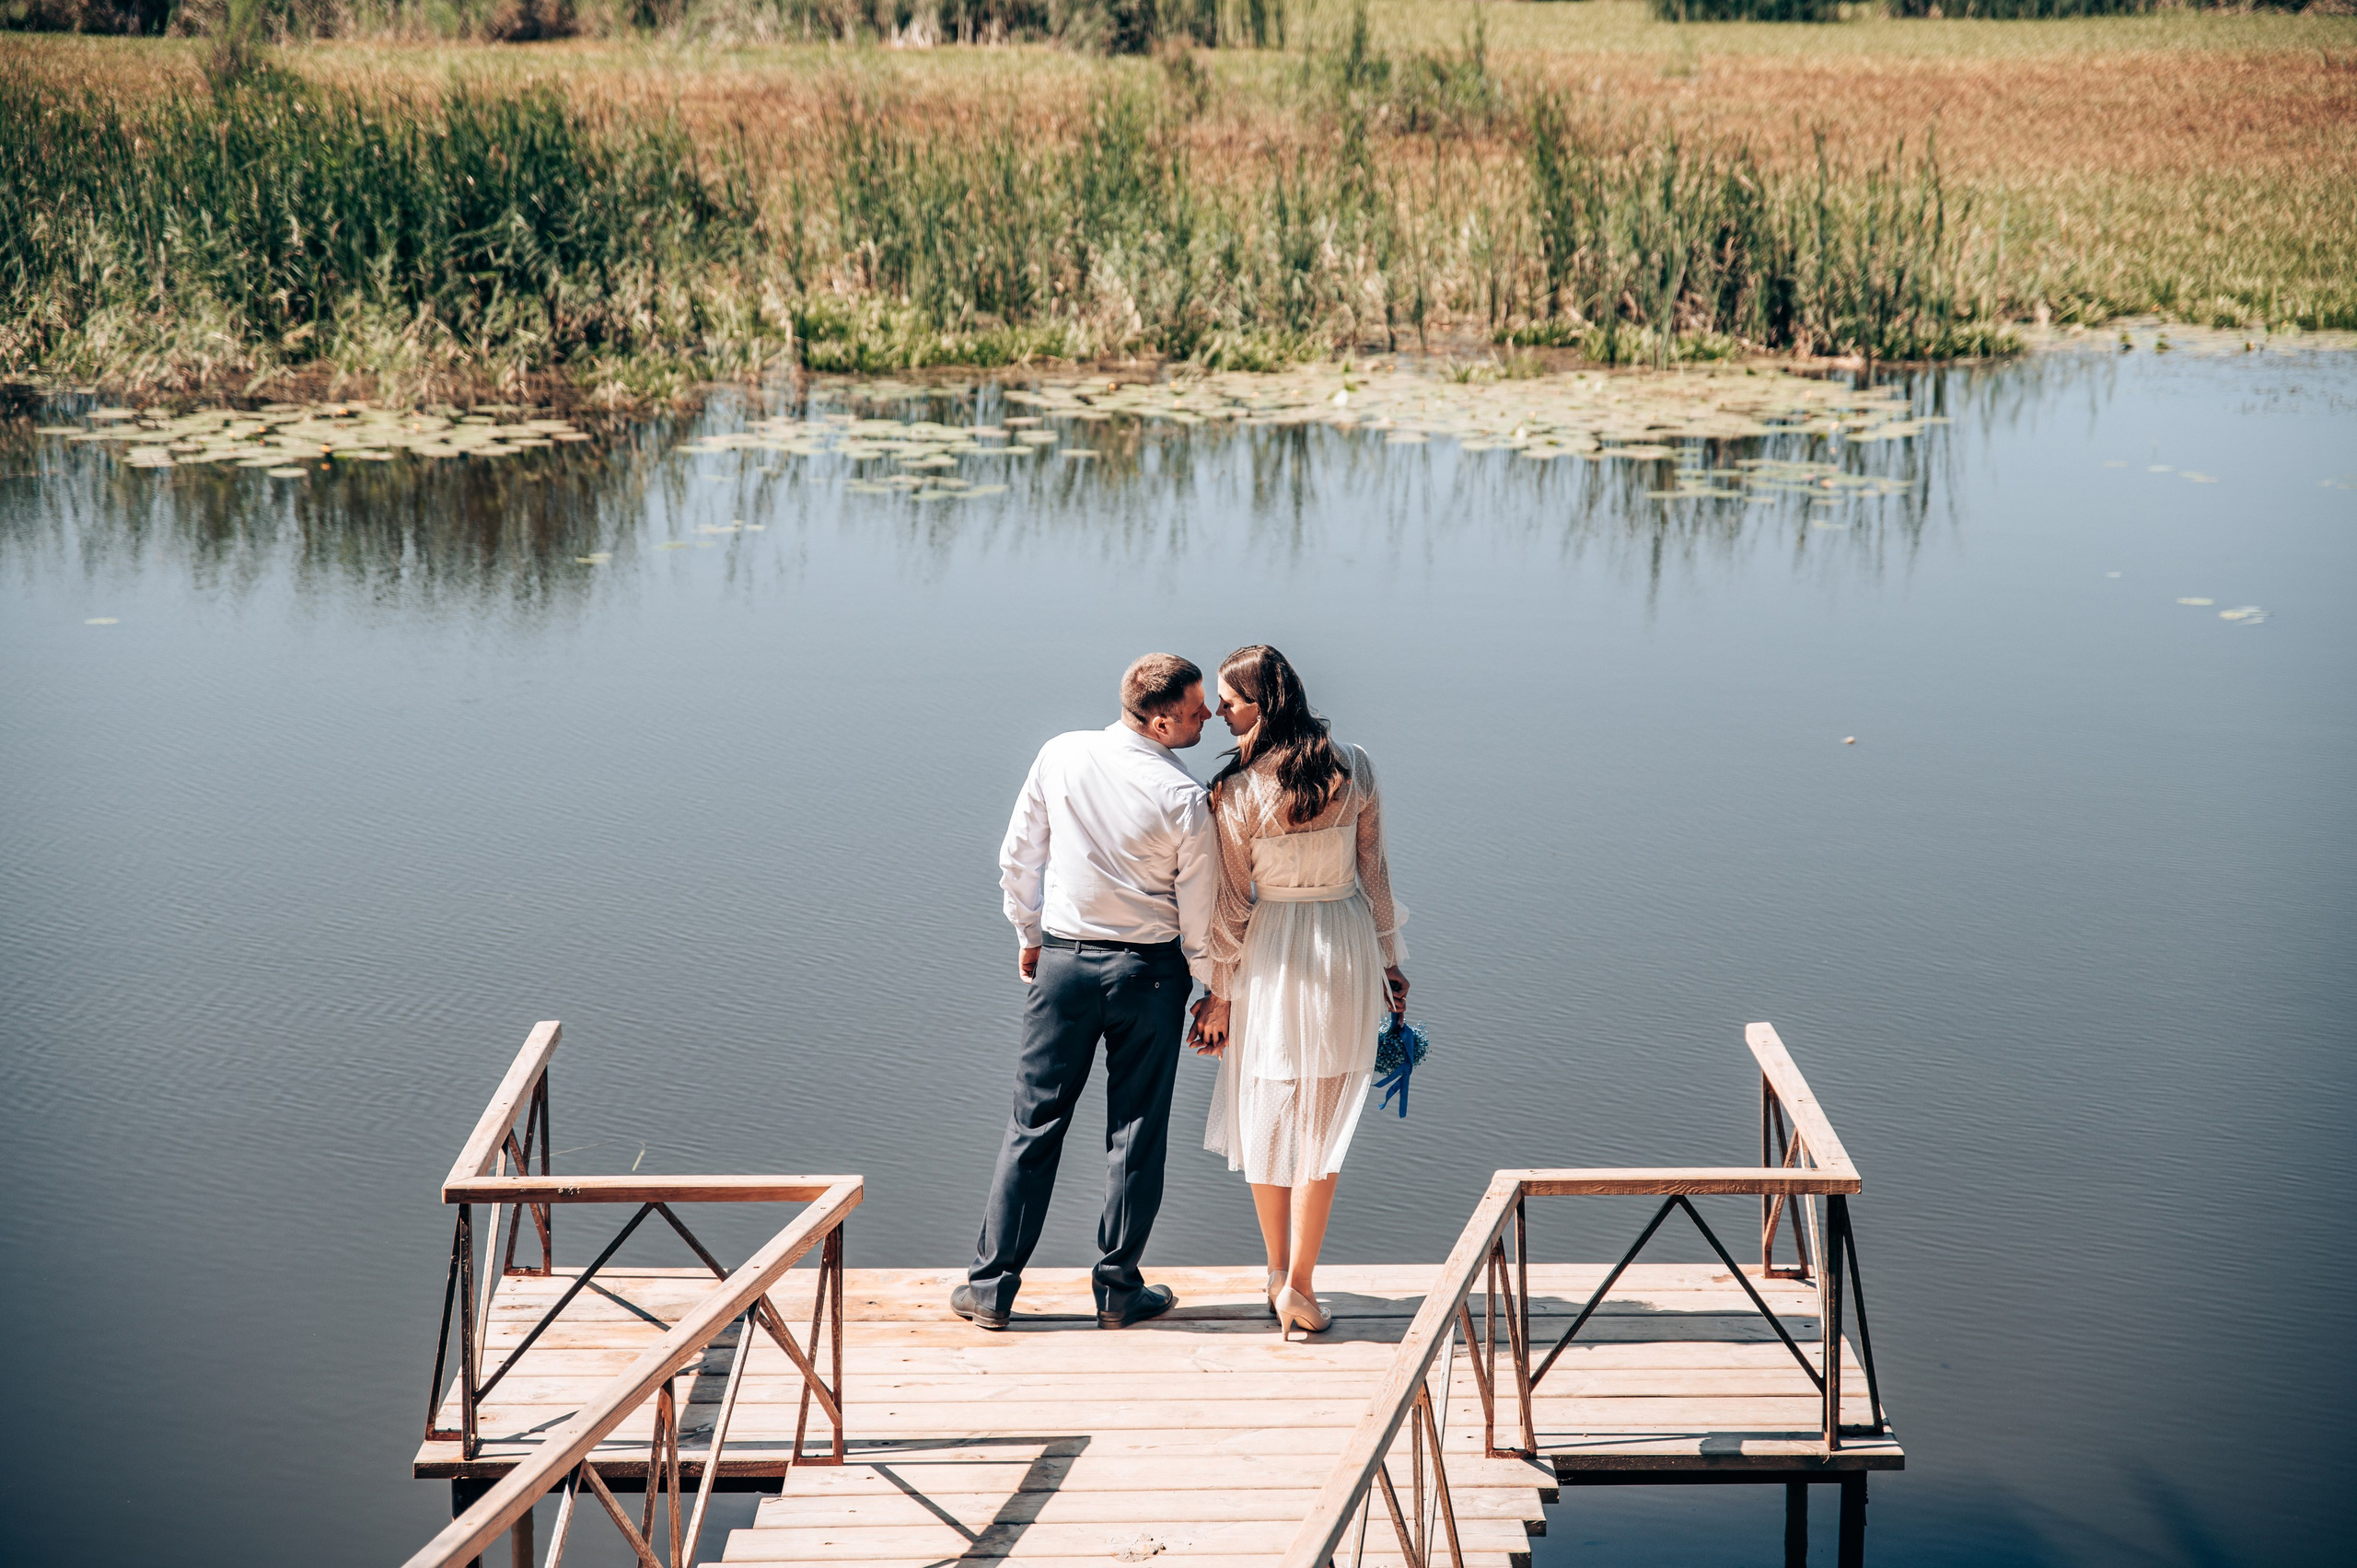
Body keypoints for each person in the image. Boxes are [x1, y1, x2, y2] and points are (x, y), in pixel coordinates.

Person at [957, 654, 1219, 1331]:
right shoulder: (1185, 797)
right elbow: (1199, 909)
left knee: (1032, 1125)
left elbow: (1020, 856)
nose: (1209, 716)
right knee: (1136, 1133)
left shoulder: (1061, 753)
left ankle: (990, 1288)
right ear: (1160, 720)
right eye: (1195, 710)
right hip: (1151, 974)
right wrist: (1214, 987)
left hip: (1065, 967)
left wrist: (1029, 933)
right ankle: (1117, 1292)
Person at [1190, 645, 1411, 1342]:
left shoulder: (1234, 789)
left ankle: (1276, 1272)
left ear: (1263, 703)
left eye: (1229, 701)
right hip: (1344, 941)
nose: (1220, 712)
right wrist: (1391, 960)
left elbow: (1228, 904)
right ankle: (1301, 1282)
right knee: (1323, 1113)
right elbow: (1373, 869)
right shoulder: (1358, 765)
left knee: (1268, 1104)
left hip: (1274, 947)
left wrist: (1219, 994)